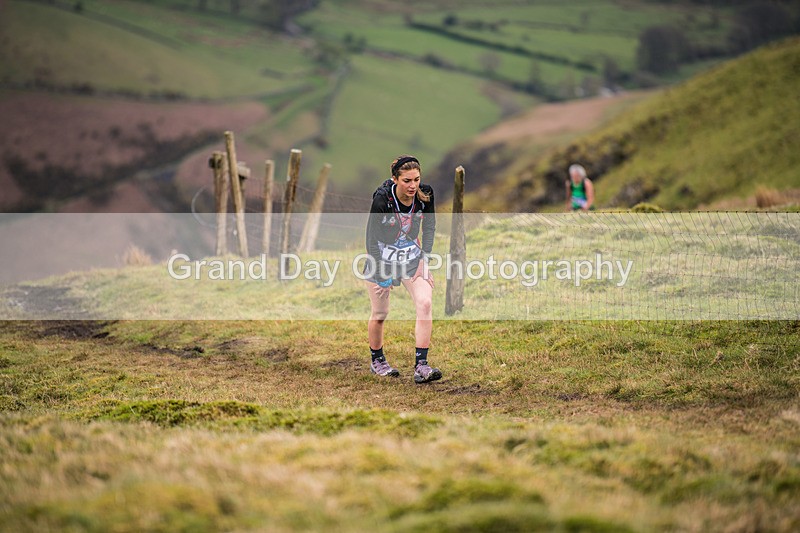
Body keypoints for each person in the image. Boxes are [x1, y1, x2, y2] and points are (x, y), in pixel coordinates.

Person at [364, 155, 441, 384]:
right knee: (380, 313)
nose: (413, 185)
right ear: (395, 179)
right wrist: (381, 275)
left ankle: (421, 366)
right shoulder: (381, 200)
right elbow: (370, 239)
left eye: (416, 179)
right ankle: (377, 360)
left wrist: (423, 260)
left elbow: (430, 226)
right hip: (380, 258)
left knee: (425, 303)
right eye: (407, 180)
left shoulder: (425, 195)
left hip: (411, 257)